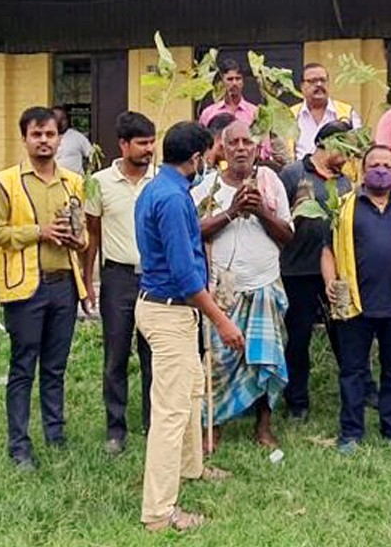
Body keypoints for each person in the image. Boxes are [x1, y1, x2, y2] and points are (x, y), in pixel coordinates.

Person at [134, 121, 245, 532]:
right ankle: (160, 513)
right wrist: (222, 320)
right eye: (209, 156)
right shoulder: (174, 199)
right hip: (170, 311)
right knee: (170, 411)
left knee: (192, 390)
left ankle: (189, 468)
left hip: (167, 308)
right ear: (196, 158)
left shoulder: (157, 189)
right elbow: (183, 275)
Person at [0, 106, 88, 470]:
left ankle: (55, 434)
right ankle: (19, 445)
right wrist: (39, 232)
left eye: (50, 134)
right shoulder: (5, 182)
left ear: (60, 138)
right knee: (23, 366)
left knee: (55, 366)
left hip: (64, 285)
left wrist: (76, 239)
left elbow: (84, 235)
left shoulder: (73, 182)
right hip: (26, 288)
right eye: (37, 134)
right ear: (25, 138)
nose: (44, 141)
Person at [192, 121, 293, 449]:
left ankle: (263, 428)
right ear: (222, 148)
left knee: (267, 357)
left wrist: (261, 210)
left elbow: (288, 235)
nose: (240, 148)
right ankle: (215, 424)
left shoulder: (270, 181)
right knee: (219, 359)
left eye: (246, 142)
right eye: (232, 142)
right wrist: (233, 212)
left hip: (265, 283)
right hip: (224, 289)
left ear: (256, 147)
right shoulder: (208, 187)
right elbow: (195, 232)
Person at [321, 145, 391, 454]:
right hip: (355, 302)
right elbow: (327, 250)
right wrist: (330, 282)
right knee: (352, 371)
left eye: (387, 164)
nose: (381, 169)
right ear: (362, 169)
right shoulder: (342, 206)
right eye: (375, 164)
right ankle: (351, 432)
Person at [279, 120, 375, 419]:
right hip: (298, 269)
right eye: (344, 146)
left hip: (335, 270)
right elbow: (278, 217)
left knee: (345, 332)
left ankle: (364, 390)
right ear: (326, 143)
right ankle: (296, 400)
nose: (349, 154)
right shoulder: (293, 174)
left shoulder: (344, 183)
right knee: (299, 337)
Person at [81, 111, 156, 455]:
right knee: (115, 355)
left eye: (152, 142)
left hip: (156, 279)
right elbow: (92, 235)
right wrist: (88, 281)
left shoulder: (160, 180)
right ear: (123, 145)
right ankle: (116, 428)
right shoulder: (99, 182)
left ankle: (154, 423)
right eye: (141, 143)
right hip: (117, 278)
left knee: (153, 353)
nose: (149, 149)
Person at [287, 63, 362, 160]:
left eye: (322, 80)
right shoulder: (290, 115)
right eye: (313, 81)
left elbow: (359, 148)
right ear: (302, 86)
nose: (319, 84)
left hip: (338, 173)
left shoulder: (347, 112)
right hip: (300, 173)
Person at [199, 60, 258, 127]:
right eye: (230, 79)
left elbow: (263, 137)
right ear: (222, 82)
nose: (234, 83)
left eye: (238, 79)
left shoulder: (254, 113)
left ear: (243, 82)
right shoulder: (209, 113)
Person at [53, 106, 93, 175]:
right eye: (57, 119)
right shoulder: (46, 138)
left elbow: (92, 156)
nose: (60, 122)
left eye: (63, 119)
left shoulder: (77, 137)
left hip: (76, 182)